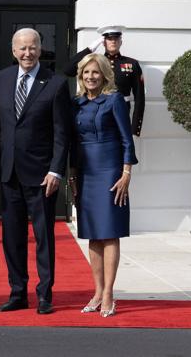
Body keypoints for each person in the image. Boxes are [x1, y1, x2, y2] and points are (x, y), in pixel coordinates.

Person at [0, 28, 71, 315]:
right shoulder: (1, 79)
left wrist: (56, 170)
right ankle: (17, 292)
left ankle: (44, 294)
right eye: (22, 48)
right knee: (11, 237)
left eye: (33, 47)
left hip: (42, 175)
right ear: (14, 50)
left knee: (43, 237)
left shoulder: (56, 82)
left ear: (41, 49)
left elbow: (62, 133)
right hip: (9, 172)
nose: (28, 53)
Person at [68, 53, 138, 318]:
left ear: (105, 75)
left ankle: (109, 292)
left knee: (109, 232)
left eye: (95, 72)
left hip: (110, 172)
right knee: (93, 234)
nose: (90, 77)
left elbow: (126, 138)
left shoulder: (114, 100)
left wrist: (126, 172)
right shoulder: (75, 104)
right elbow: (73, 143)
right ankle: (97, 291)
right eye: (86, 73)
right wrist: (73, 176)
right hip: (85, 173)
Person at [63, 25, 145, 136]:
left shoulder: (132, 64)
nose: (113, 41)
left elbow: (140, 98)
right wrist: (90, 49)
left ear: (121, 42)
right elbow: (68, 70)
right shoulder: (95, 62)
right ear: (103, 42)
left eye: (116, 39)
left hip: (122, 114)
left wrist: (135, 129)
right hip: (97, 112)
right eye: (109, 39)